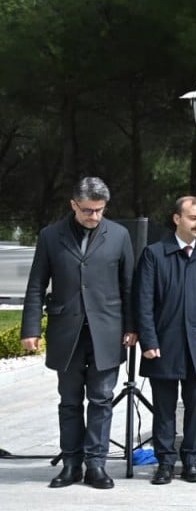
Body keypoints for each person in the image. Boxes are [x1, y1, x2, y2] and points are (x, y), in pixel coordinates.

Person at [21, 176, 136, 489]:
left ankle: (96, 465)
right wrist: (31, 328)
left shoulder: (119, 235)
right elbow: (35, 285)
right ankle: (71, 463)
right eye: (87, 210)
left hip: (107, 331)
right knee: (69, 401)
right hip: (66, 331)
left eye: (99, 210)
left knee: (101, 399)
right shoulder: (50, 236)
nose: (94, 216)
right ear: (73, 205)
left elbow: (129, 286)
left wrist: (131, 326)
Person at [135, 196, 196, 485]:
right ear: (177, 219)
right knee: (164, 408)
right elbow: (144, 301)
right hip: (163, 345)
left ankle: (191, 461)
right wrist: (148, 341)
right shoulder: (154, 254)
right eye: (193, 218)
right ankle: (164, 463)